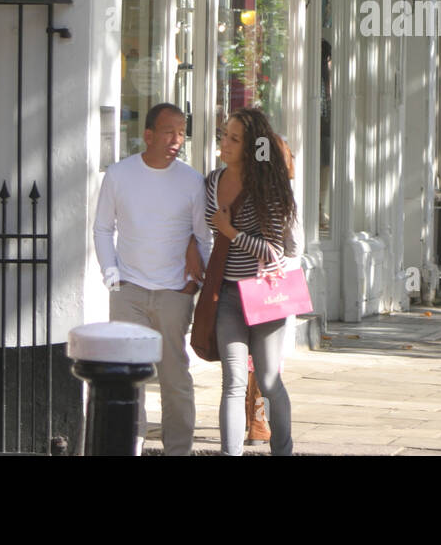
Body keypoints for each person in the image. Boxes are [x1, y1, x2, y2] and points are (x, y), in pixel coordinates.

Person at [93, 102, 210, 455]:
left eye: (181, 132)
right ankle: (131, 447)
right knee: (130, 380)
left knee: (175, 380)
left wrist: (194, 284)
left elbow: (203, 236)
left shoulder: (191, 180)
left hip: (175, 293)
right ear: (148, 135)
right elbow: (102, 228)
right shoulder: (119, 174)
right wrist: (112, 279)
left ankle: (179, 451)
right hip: (129, 291)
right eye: (169, 131)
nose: (177, 139)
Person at [208, 107, 297, 456]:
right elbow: (205, 229)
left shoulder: (269, 190)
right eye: (223, 135)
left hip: (264, 296)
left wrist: (232, 232)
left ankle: (283, 450)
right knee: (232, 382)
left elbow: (274, 252)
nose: (224, 143)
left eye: (234, 138)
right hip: (228, 294)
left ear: (250, 147)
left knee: (270, 382)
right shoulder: (212, 182)